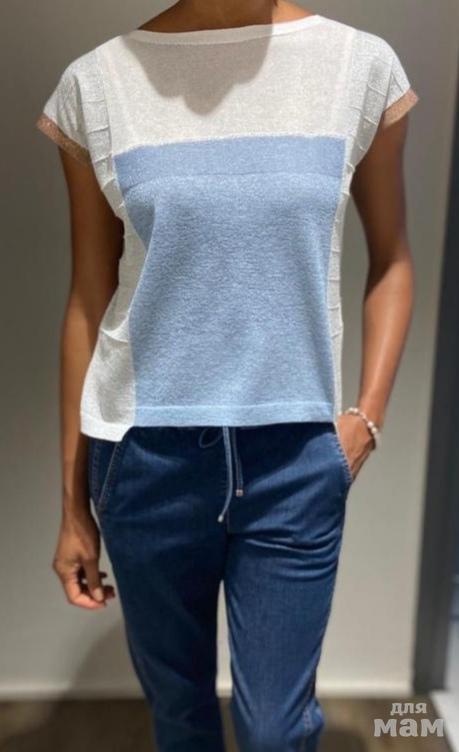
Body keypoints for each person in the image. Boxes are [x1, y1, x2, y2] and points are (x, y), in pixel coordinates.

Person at [35, 1, 419, 749]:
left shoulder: (358, 66)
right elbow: (88, 300)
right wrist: (73, 507)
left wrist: (365, 419)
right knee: (180, 719)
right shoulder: (97, 83)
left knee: (276, 730)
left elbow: (393, 258)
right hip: (144, 460)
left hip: (293, 461)